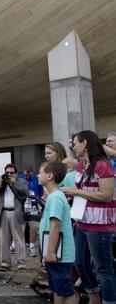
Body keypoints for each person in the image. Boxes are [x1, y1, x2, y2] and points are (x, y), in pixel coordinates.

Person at [62, 130, 116, 304]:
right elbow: (88, 192)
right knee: (80, 263)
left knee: (104, 269)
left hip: (99, 225)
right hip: (81, 221)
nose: (73, 147)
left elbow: (107, 195)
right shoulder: (81, 165)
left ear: (84, 143)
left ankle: (108, 300)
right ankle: (94, 296)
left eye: (74, 143)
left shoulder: (102, 164)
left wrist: (77, 191)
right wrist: (75, 195)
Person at [37, 161, 78, 304]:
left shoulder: (55, 198)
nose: (38, 175)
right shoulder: (55, 196)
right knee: (57, 289)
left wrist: (50, 252)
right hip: (55, 253)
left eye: (40, 172)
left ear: (49, 176)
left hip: (59, 255)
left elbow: (55, 226)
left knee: (66, 291)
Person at [0, 163, 29, 270]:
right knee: (4, 238)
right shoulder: (1, 183)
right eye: (7, 172)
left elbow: (26, 193)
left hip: (16, 212)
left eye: (12, 173)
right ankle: (5, 263)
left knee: (19, 239)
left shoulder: (21, 181)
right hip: (3, 212)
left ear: (16, 173)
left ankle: (21, 263)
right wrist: (2, 184)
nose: (9, 175)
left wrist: (13, 183)